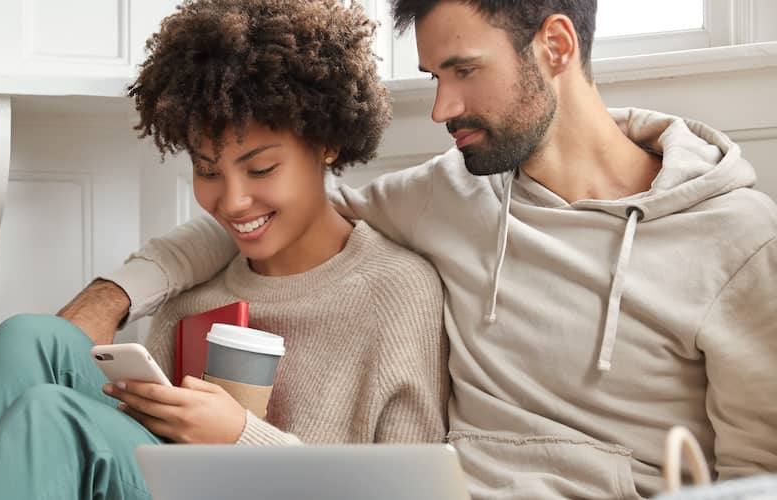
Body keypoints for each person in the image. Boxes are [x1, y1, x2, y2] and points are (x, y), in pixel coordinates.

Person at [66, 0, 777, 498]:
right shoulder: (452, 192)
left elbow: (757, 479)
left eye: (463, 71)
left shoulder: (737, 240)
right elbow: (268, 214)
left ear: (555, 47)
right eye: (436, 77)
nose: (440, 109)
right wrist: (116, 295)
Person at [0, 1, 448, 498]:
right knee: (27, 338)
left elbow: (410, 490)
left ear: (327, 142)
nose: (233, 201)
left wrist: (240, 438)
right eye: (206, 170)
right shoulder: (195, 293)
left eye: (262, 168)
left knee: (53, 413)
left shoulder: (397, 291)